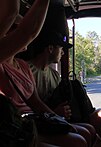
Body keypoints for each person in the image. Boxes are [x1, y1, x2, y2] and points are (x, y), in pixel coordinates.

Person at [0, 0, 87, 146]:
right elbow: (25, 29)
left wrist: (56, 118)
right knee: (79, 141)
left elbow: (36, 103)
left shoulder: (22, 66)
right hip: (15, 128)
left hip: (33, 122)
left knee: (84, 132)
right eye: (17, 28)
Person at [26, 30, 97, 147]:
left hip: (53, 120)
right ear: (50, 48)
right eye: (60, 48)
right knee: (80, 139)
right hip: (37, 123)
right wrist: (55, 113)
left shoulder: (54, 74)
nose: (63, 52)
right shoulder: (28, 70)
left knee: (90, 129)